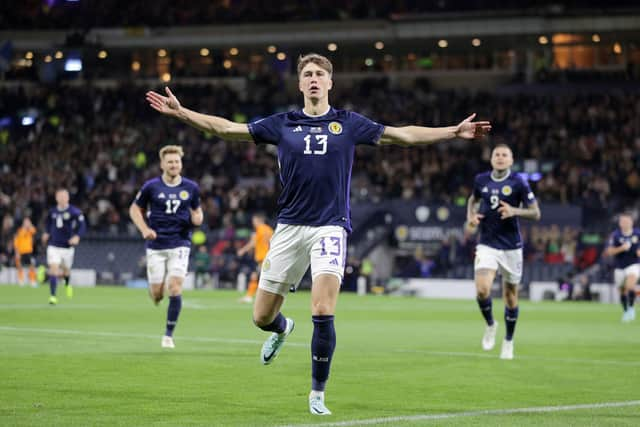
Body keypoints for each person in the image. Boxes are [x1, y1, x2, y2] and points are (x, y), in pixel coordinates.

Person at [146, 52, 490, 415]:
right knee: (261, 317)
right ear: (299, 84)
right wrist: (183, 113)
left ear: (329, 83)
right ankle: (282, 329)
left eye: (319, 74)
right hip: (290, 228)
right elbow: (226, 129)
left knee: (323, 309)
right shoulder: (282, 124)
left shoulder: (348, 123)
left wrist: (453, 131)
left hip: (330, 226)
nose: (313, 79)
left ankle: (317, 394)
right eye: (307, 74)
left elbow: (403, 135)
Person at [466, 144, 540, 360]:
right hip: (487, 243)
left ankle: (508, 340)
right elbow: (473, 199)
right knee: (482, 290)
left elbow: (536, 213)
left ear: (511, 160)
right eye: (496, 154)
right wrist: (470, 216)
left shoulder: (519, 181)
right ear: (491, 159)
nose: (500, 157)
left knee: (510, 296)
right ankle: (490, 324)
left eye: (504, 155)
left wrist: (513, 211)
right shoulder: (481, 180)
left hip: (511, 247)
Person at [129, 145, 203, 348]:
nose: (173, 165)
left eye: (177, 161)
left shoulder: (191, 188)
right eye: (170, 162)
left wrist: (197, 218)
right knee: (157, 294)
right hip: (156, 245)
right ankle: (155, 294)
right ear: (162, 164)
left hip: (180, 242)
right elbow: (135, 209)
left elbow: (198, 212)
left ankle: (168, 335)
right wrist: (144, 229)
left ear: (181, 164)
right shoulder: (151, 187)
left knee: (175, 287)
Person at [42, 188, 86, 305]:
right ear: (56, 198)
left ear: (68, 198)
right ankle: (53, 296)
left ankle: (67, 284)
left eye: (64, 196)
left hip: (67, 247)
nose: (62, 198)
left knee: (66, 271)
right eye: (60, 196)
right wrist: (46, 233)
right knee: (54, 269)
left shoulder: (74, 212)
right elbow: (47, 224)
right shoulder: (52, 212)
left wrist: (77, 236)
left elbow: (82, 225)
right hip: (54, 245)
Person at [603, 212, 640, 322]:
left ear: (631, 222)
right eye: (623, 221)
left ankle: (632, 308)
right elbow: (608, 251)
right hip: (619, 266)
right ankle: (626, 311)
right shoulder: (615, 235)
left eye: (627, 221)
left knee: (630, 286)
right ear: (620, 223)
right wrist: (621, 248)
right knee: (622, 291)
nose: (625, 223)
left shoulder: (638, 234)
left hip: (634, 264)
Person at [237, 213, 274, 303]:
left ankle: (252, 296)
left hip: (262, 257)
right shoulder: (269, 230)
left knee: (259, 277)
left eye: (254, 221)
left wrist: (242, 250)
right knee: (257, 276)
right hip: (269, 256)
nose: (253, 223)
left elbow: (252, 243)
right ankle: (252, 296)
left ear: (258, 220)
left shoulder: (259, 229)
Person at [13, 217, 38, 287]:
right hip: (20, 252)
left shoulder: (30, 230)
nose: (27, 223)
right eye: (26, 222)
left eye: (28, 222)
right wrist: (17, 252)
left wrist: (30, 225)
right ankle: (21, 280)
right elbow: (16, 242)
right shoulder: (19, 231)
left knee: (31, 266)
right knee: (20, 266)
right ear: (23, 223)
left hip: (29, 251)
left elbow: (34, 231)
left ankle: (32, 281)